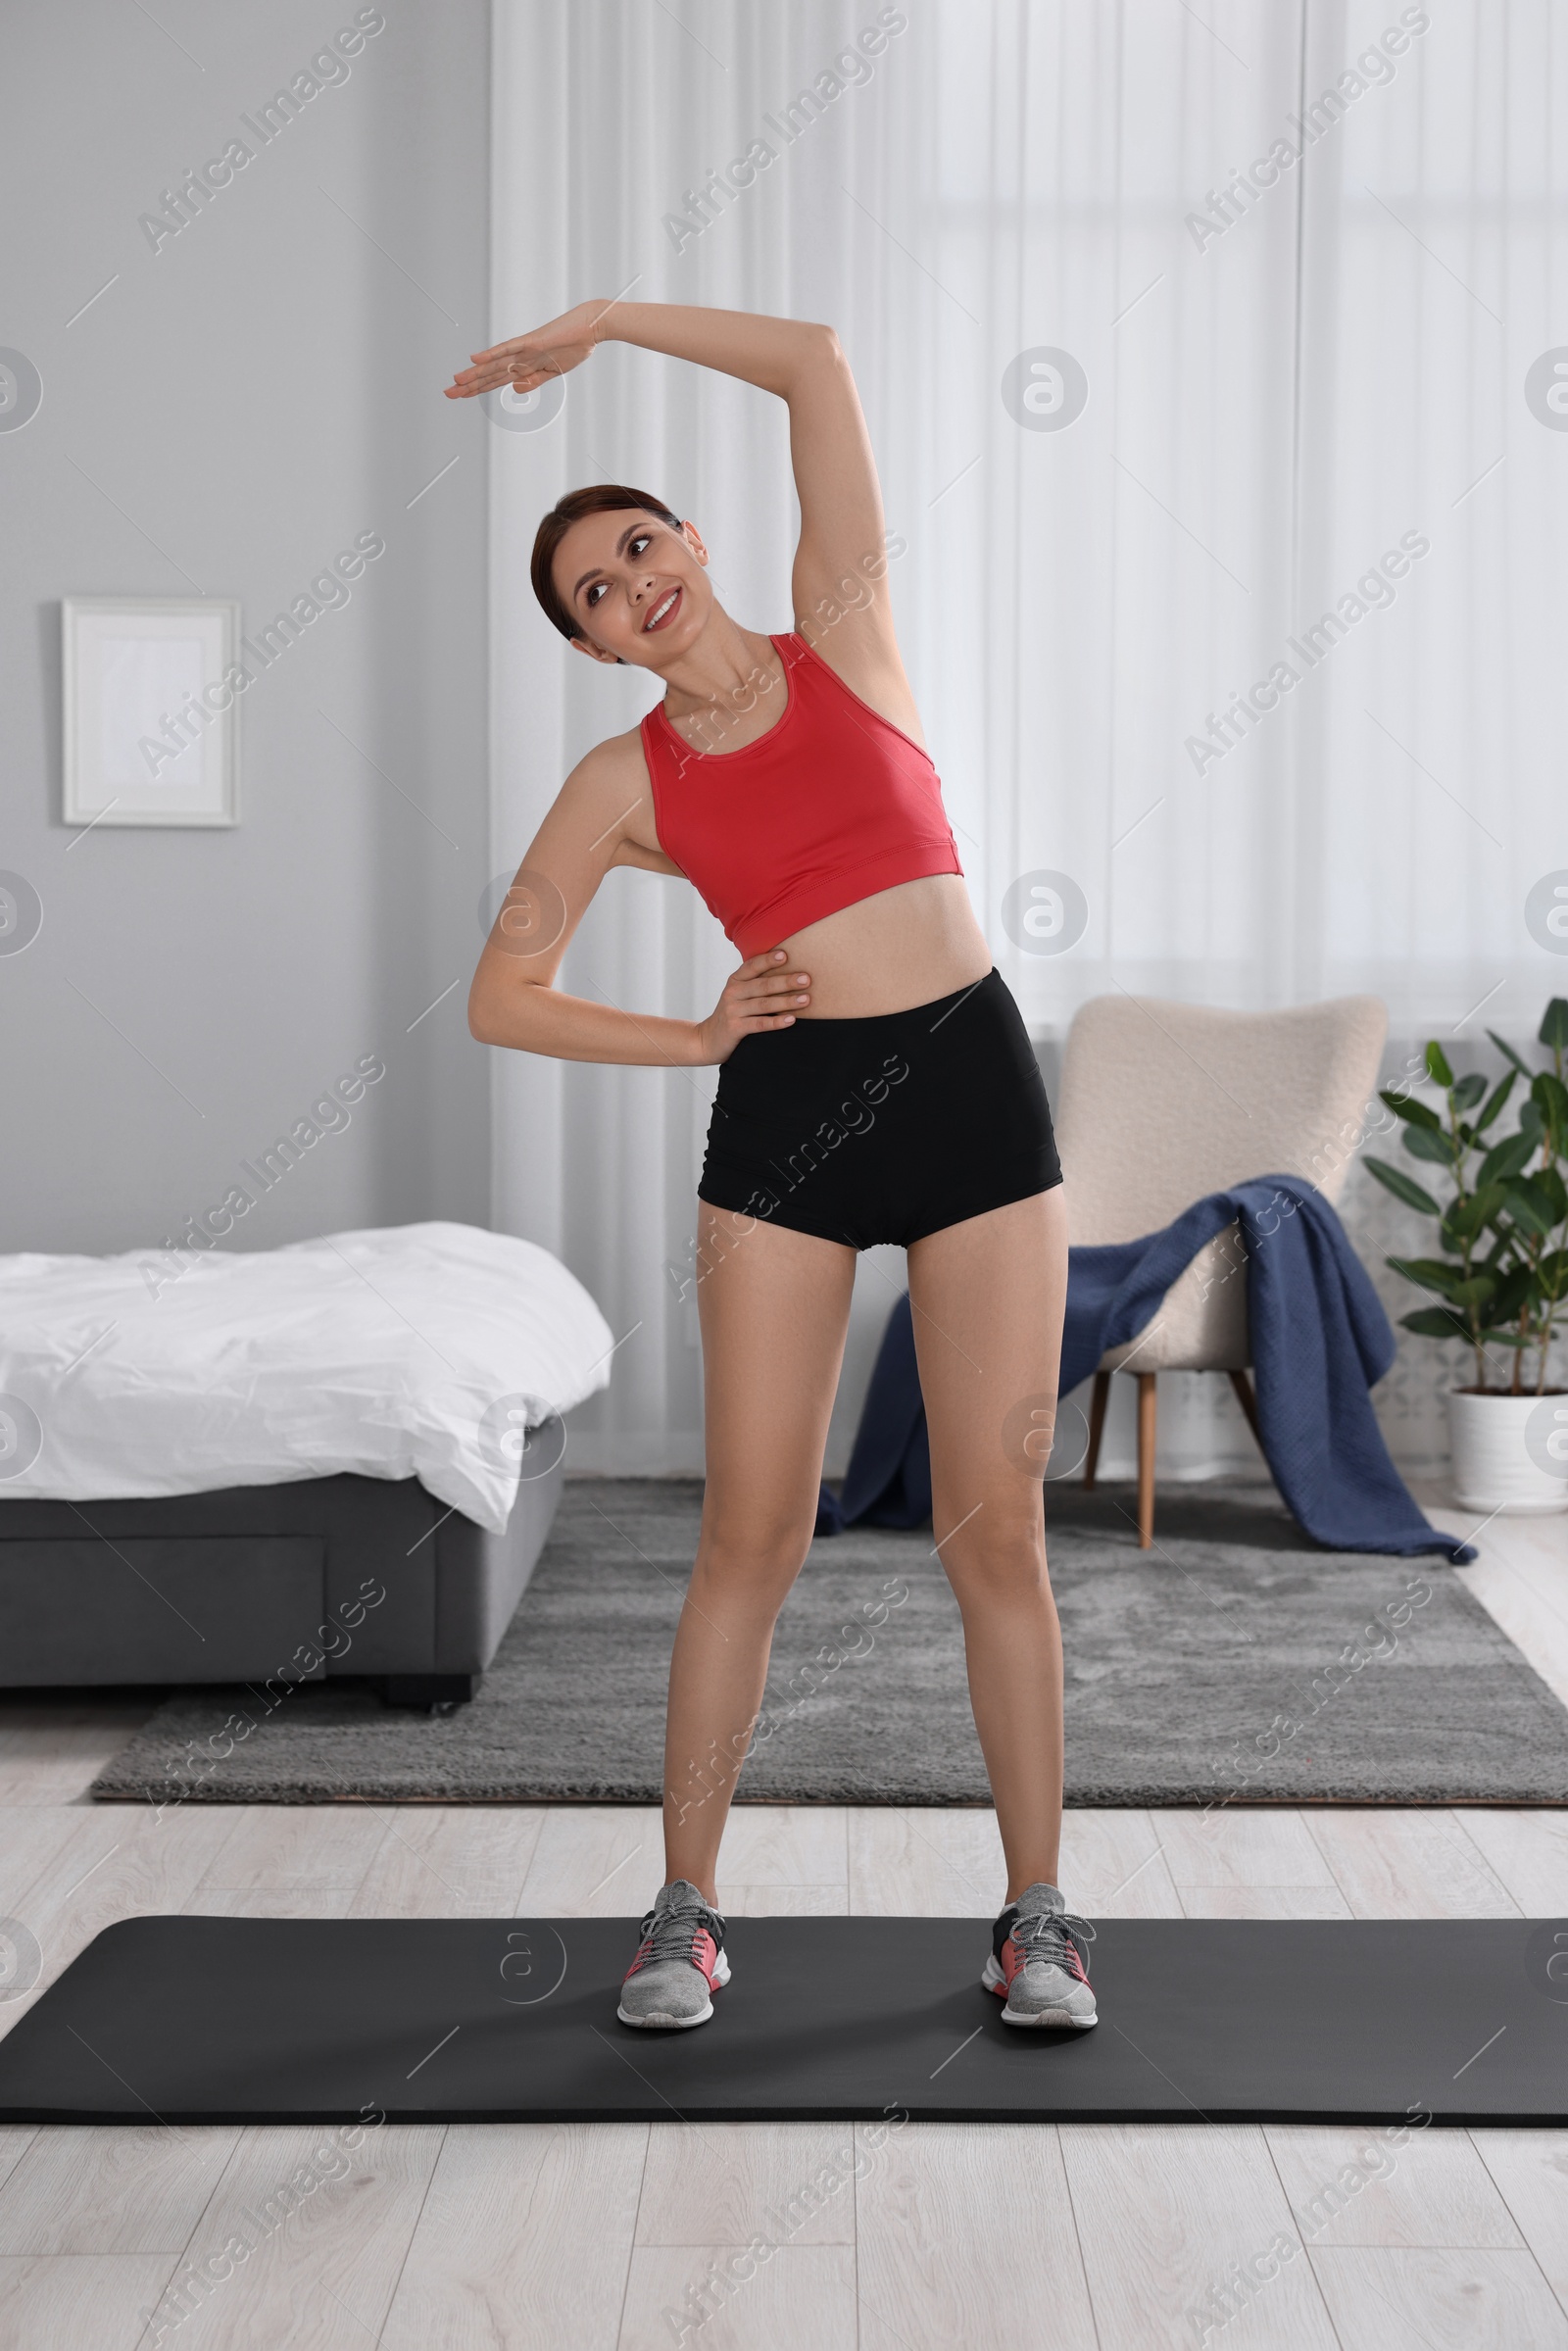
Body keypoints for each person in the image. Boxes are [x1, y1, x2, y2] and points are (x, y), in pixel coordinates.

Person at [447, 301, 1096, 2033]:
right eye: (595, 590)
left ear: (694, 544)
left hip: (973, 1097)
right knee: (749, 1533)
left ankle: (1038, 1917)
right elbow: (501, 994)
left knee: (996, 1534)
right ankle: (683, 1914)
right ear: (594, 649)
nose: (631, 584)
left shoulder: (843, 631)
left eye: (639, 544)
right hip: (786, 1128)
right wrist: (699, 1037)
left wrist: (596, 326)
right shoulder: (620, 782)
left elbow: (817, 356)